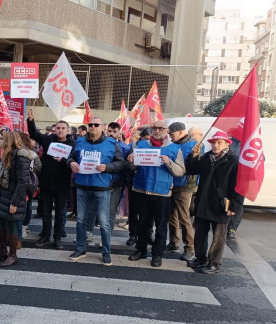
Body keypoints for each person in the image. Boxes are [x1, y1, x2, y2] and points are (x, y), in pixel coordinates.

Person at [127, 120, 185, 267]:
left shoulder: (174, 149)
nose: (157, 131)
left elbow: (180, 171)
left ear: (166, 131)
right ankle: (140, 250)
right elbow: (133, 168)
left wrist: (169, 163)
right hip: (142, 189)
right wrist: (131, 161)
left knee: (160, 226)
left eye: (161, 128)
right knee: (143, 224)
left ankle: (157, 254)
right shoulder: (140, 145)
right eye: (155, 128)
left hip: (162, 192)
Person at [68, 117, 125, 266]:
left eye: (96, 125)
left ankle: (106, 252)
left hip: (101, 188)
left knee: (104, 222)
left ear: (102, 127)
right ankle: (81, 248)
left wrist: (107, 167)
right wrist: (71, 162)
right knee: (81, 220)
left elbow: (120, 163)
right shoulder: (80, 141)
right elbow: (71, 157)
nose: (93, 127)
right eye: (90, 124)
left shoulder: (112, 143)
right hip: (82, 186)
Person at [185, 131, 243, 274]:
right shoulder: (206, 157)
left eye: (219, 142)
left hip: (221, 204)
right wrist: (193, 156)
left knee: (218, 237)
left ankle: (214, 263)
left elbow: (238, 185)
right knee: (200, 233)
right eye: (213, 142)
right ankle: (200, 258)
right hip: (203, 202)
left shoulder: (233, 161)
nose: (216, 145)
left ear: (226, 144)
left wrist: (235, 205)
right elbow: (192, 169)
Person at [27, 108, 74, 249]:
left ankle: (57, 237)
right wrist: (31, 120)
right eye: (58, 128)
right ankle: (45, 235)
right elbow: (34, 133)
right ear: (54, 130)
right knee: (46, 212)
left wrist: (64, 160)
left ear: (67, 131)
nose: (60, 130)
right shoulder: (47, 139)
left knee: (60, 213)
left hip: (62, 185)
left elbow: (73, 161)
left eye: (62, 128)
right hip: (46, 184)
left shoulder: (72, 144)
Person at [0, 131, 31, 267]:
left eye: (2, 139)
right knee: (2, 223)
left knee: (12, 224)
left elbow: (22, 182)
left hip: (13, 196)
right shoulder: (6, 154)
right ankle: (2, 251)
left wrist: (14, 202)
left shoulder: (21, 156)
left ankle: (13, 255)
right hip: (3, 193)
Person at [166, 122, 199, 261]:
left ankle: (189, 248)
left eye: (172, 134)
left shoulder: (195, 145)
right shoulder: (172, 145)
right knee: (171, 215)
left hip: (186, 185)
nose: (170, 136)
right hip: (171, 183)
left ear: (181, 132)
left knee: (184, 217)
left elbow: (196, 165)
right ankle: (174, 242)